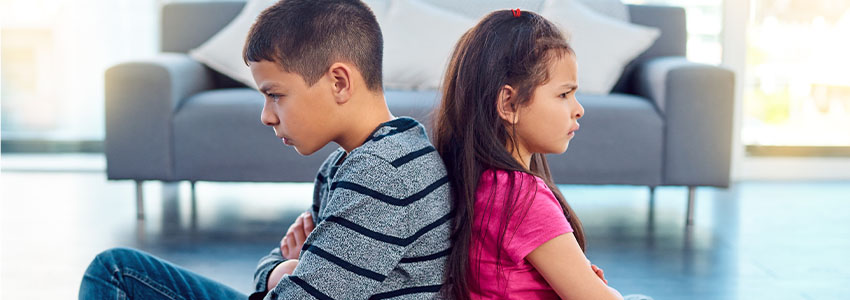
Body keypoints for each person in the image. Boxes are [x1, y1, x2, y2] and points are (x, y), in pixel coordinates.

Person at [79, 1, 453, 299]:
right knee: (119, 269)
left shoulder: (380, 174)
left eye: (275, 95)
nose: (266, 116)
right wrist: (282, 271)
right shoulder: (362, 158)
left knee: (114, 274)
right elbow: (279, 265)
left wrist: (289, 271)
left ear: (339, 81)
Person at [432, 9, 651, 300]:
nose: (578, 109)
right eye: (564, 95)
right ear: (508, 103)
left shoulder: (482, 181)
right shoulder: (523, 197)